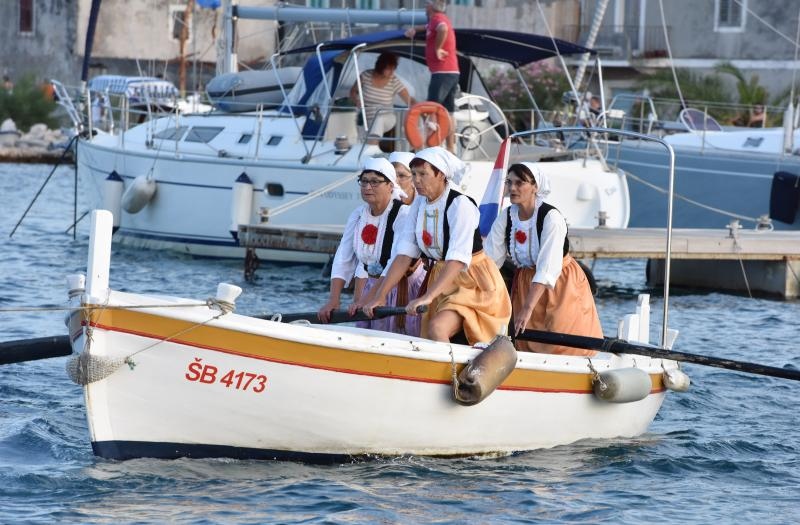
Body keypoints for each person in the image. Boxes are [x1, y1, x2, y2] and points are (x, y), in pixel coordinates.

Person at [363, 147, 511, 344]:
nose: (416, 180)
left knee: (437, 327)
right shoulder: (419, 204)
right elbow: (404, 254)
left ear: (441, 174)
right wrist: (380, 296)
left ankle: (448, 374)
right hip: (442, 277)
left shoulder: (460, 205)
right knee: (427, 332)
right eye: (414, 174)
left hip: (473, 282)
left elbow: (457, 260)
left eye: (423, 174)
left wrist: (428, 296)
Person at [484, 162, 602, 356]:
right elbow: (490, 261)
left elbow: (547, 269)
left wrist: (527, 308)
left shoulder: (551, 218)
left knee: (561, 336)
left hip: (560, 284)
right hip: (526, 283)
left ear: (535, 187)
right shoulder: (507, 217)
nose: (512, 188)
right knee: (525, 337)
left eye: (519, 183)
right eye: (509, 182)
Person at [318, 157, 424, 336]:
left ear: (391, 185)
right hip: (372, 284)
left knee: (401, 337)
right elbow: (344, 257)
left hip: (402, 286)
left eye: (375, 182)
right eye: (364, 181)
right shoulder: (358, 215)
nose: (367, 187)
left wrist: (369, 298)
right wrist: (333, 300)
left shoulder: (403, 214)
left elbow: (394, 261)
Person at [404, 0, 459, 152]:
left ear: (430, 7)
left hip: (443, 72)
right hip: (451, 72)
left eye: (426, 4)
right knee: (448, 111)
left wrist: (437, 49)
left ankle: (433, 147)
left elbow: (443, 29)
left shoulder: (438, 20)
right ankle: (450, 147)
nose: (425, 7)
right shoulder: (435, 21)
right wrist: (415, 29)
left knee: (432, 108)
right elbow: (429, 27)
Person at [350, 52, 415, 145]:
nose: (392, 72)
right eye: (389, 69)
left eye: (393, 69)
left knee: (379, 119)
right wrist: (356, 100)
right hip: (365, 117)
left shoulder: (394, 80)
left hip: (387, 118)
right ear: (381, 66)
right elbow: (353, 92)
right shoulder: (365, 76)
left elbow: (409, 99)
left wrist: (421, 108)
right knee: (358, 133)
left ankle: (372, 147)